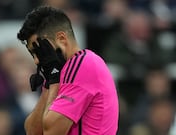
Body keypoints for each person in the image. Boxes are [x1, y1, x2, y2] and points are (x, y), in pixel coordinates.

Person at [17, 6, 119, 135]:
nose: (36, 61)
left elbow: (52, 132)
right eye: (33, 54)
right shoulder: (62, 72)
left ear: (61, 39)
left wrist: (53, 81)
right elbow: (32, 132)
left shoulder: (83, 65)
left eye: (39, 51)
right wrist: (50, 83)